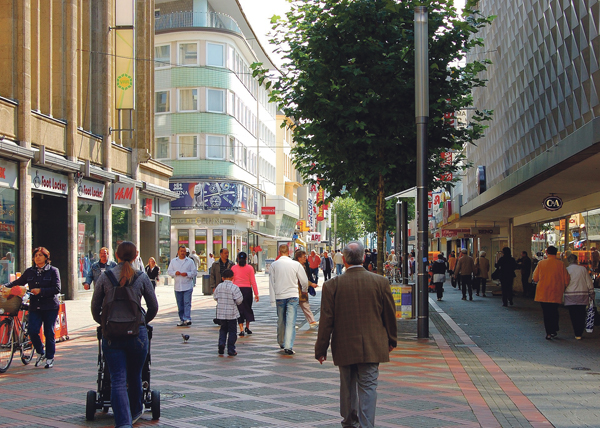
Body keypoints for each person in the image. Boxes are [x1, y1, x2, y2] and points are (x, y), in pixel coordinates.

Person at [315, 241, 397, 428]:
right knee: (368, 386)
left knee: (347, 385)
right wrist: (391, 340)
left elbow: (326, 321)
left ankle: (350, 422)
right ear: (364, 258)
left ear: (343, 259)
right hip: (373, 344)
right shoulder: (380, 282)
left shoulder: (332, 285)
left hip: (344, 344)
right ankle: (367, 425)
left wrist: (321, 349)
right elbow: (389, 315)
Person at [91, 241, 158, 427]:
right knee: (135, 374)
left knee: (117, 379)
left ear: (116, 255)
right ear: (136, 256)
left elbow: (95, 307)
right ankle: (136, 410)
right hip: (137, 334)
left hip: (112, 335)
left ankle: (123, 423)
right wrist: (142, 322)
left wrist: (105, 324)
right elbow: (153, 306)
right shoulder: (142, 277)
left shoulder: (106, 277)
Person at [1, 247, 60, 369]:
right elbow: (18, 282)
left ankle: (50, 357)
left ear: (46, 257)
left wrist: (41, 291)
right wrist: (4, 286)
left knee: (49, 332)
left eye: (40, 255)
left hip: (50, 306)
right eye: (35, 255)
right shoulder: (30, 272)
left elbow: (57, 289)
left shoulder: (53, 271)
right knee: (32, 330)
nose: (37, 257)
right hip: (35, 306)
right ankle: (40, 351)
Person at [269, 244, 308, 355]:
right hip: (292, 295)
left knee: (281, 320)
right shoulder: (295, 264)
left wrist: (272, 299)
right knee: (291, 321)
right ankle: (288, 346)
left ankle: (281, 341)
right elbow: (304, 280)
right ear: (289, 252)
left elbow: (271, 282)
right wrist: (304, 290)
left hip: (280, 296)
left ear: (279, 252)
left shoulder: (274, 265)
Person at [532, 245, 570, 340]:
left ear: (547, 253)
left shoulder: (541, 263)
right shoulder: (560, 264)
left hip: (543, 292)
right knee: (554, 311)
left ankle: (548, 332)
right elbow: (566, 279)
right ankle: (554, 329)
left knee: (546, 313)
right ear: (556, 253)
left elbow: (535, 278)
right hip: (556, 292)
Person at [213, 269, 244, 356]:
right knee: (232, 331)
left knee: (223, 329)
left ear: (223, 278)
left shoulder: (219, 286)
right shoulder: (235, 287)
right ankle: (231, 349)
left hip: (221, 313)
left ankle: (221, 344)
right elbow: (239, 300)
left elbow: (215, 297)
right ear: (232, 277)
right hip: (232, 314)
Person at [564, 254, 595, 339]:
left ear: (568, 261)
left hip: (570, 295)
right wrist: (591, 292)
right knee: (581, 314)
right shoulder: (583, 269)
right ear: (576, 260)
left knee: (573, 314)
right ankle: (579, 332)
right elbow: (589, 282)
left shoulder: (566, 270)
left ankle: (576, 332)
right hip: (582, 295)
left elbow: (564, 283)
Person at [167, 245, 197, 326]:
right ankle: (182, 319)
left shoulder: (190, 261)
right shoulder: (173, 261)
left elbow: (194, 272)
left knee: (187, 302)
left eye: (184, 251)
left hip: (187, 285)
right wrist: (174, 273)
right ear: (178, 252)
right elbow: (169, 271)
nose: (183, 253)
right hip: (178, 286)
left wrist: (187, 274)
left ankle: (187, 318)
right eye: (181, 251)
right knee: (180, 304)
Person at [231, 252, 259, 337]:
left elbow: (232, 281)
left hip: (237, 290)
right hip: (247, 290)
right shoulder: (250, 268)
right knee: (247, 308)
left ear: (238, 258)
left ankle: (241, 329)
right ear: (246, 258)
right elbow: (253, 281)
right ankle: (247, 327)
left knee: (239, 310)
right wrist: (256, 293)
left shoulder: (233, 268)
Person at [295, 250, 319, 328]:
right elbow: (302, 279)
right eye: (304, 257)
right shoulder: (297, 266)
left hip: (301, 289)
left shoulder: (304, 265)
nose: (306, 258)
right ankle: (290, 324)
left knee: (305, 305)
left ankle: (312, 321)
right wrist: (311, 284)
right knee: (293, 307)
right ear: (299, 258)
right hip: (297, 290)